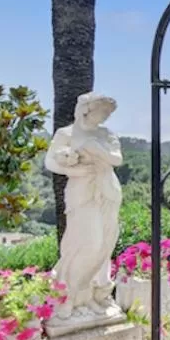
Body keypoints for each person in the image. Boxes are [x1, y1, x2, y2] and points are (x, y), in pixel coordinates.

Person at [45, 93, 123, 317]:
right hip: (82, 191)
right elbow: (50, 161)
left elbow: (117, 159)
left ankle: (91, 296)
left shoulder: (106, 134)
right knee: (88, 244)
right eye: (103, 111)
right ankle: (68, 296)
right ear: (87, 109)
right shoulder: (67, 133)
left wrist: (97, 149)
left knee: (104, 245)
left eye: (108, 113)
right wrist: (71, 170)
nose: (105, 116)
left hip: (108, 190)